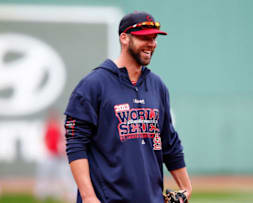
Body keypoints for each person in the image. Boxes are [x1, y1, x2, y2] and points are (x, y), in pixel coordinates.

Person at [64, 11, 192, 203]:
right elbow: (76, 143)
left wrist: (186, 188)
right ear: (124, 38)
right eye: (144, 38)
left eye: (154, 38)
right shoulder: (94, 84)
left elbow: (169, 141)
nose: (152, 43)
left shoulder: (157, 86)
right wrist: (89, 196)